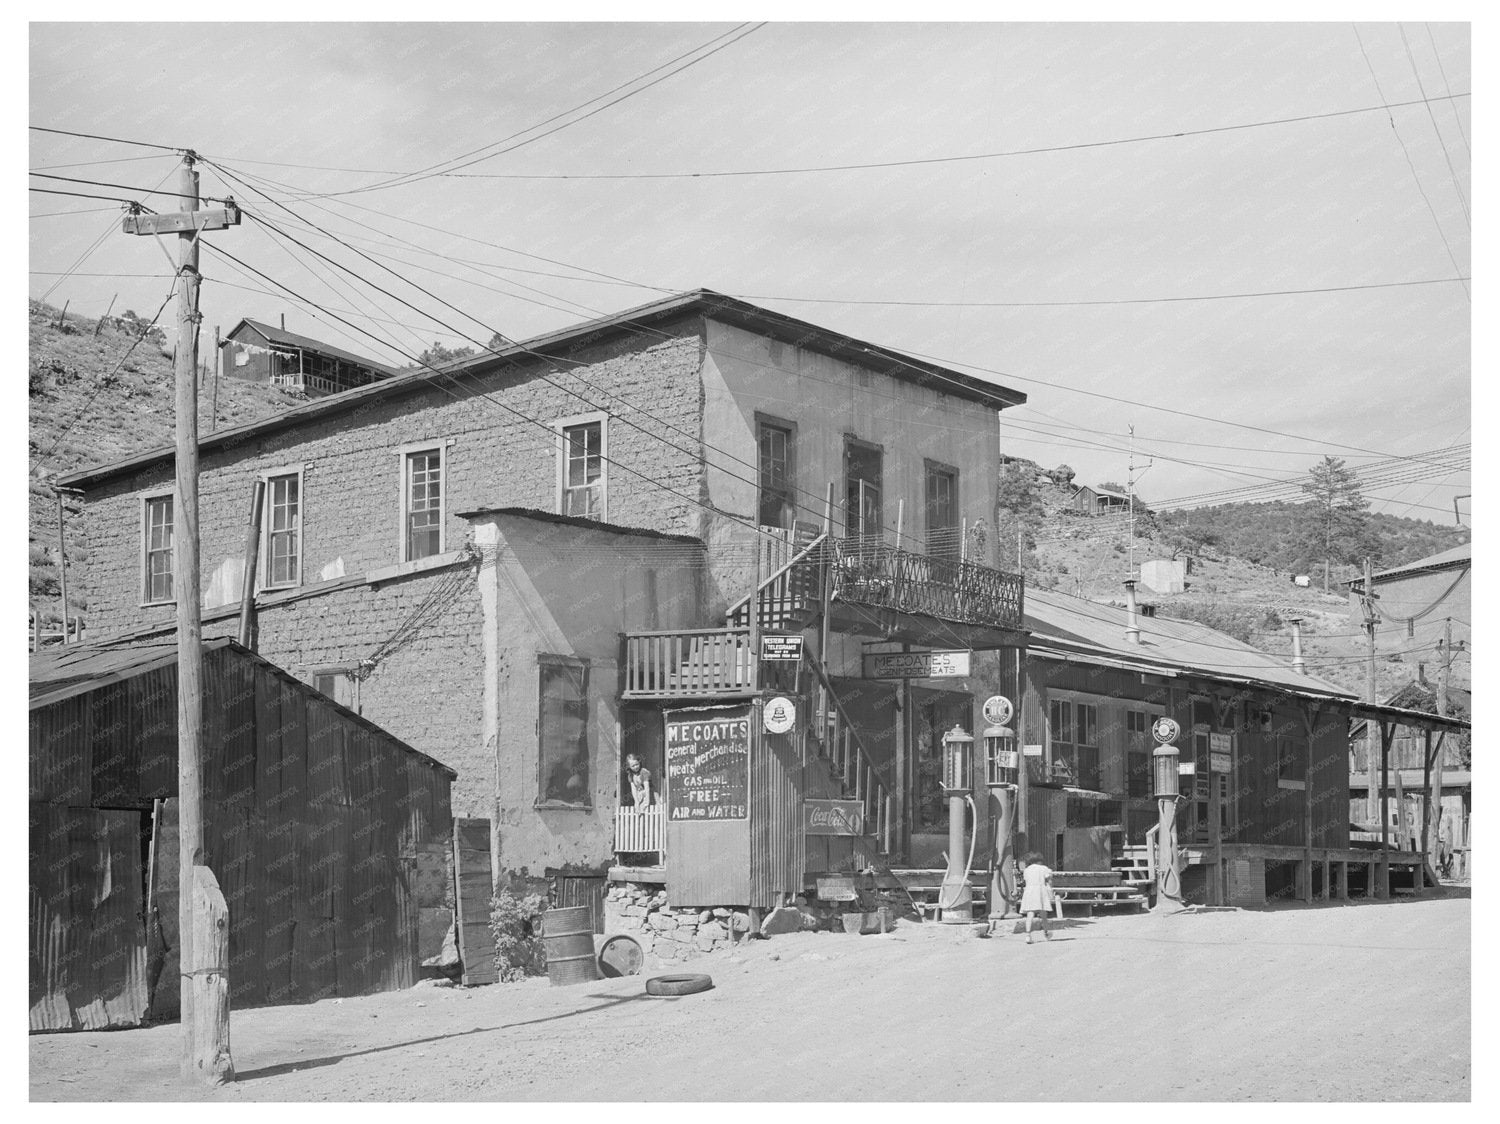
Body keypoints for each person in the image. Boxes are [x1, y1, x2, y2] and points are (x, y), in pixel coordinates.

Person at [1019, 851, 1055, 944]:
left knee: (1030, 913)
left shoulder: (1027, 870)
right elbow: (1049, 879)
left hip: (1029, 891)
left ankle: (1028, 935)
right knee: (1043, 914)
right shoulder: (1044, 868)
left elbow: (1026, 880)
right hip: (1040, 891)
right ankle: (1046, 933)